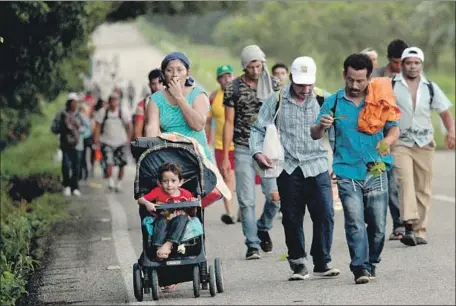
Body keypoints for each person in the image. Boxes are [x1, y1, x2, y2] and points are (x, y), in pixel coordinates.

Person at [311, 53, 400, 284]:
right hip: (346, 171)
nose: (354, 85)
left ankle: (371, 261)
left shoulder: (379, 99)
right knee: (354, 221)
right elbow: (314, 134)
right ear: (344, 75)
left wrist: (386, 142)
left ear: (369, 78)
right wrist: (321, 125)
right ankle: (359, 267)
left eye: (360, 80)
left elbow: (394, 129)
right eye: (350, 79)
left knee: (378, 226)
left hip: (376, 169)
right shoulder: (334, 102)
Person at [251, 56, 340, 280]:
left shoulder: (324, 99)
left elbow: (338, 132)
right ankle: (298, 263)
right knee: (292, 216)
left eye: (309, 83)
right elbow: (259, 128)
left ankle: (322, 261)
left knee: (325, 214)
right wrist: (258, 152)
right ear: (291, 79)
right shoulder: (277, 99)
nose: (305, 89)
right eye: (300, 84)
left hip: (317, 164)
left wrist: (338, 162)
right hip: (288, 167)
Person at [391, 47, 455, 246]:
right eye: (408, 63)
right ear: (402, 65)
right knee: (405, 182)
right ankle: (409, 225)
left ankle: (420, 230)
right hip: (400, 142)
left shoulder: (430, 87)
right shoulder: (392, 85)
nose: (412, 66)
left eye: (416, 63)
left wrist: (451, 132)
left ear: (421, 65)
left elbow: (444, 112)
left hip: (424, 143)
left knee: (423, 187)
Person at [222, 45, 281, 260]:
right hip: (243, 147)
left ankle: (262, 227)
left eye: (258, 65)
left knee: (275, 197)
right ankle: (252, 243)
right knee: (246, 200)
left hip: (268, 147)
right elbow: (229, 122)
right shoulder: (233, 88)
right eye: (251, 66)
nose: (255, 71)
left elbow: (281, 116)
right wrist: (227, 157)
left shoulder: (274, 84)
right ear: (244, 66)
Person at [371, 39, 409, 240]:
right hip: (381, 135)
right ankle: (397, 224)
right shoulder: (376, 76)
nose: (399, 67)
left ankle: (406, 222)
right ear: (389, 60)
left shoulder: (410, 77)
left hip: (404, 135)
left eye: (402, 62)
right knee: (390, 181)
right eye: (395, 62)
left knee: (404, 182)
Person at [144, 52, 213, 161]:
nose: (175, 74)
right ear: (163, 75)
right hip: (170, 157)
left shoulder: (198, 95)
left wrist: (179, 97)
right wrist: (150, 152)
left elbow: (198, 125)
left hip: (198, 157)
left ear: (187, 73)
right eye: (169, 70)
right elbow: (152, 128)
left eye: (180, 70)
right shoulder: (155, 100)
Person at [137, 163, 194, 260]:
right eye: (165, 181)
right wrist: (148, 203)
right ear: (159, 182)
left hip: (179, 221)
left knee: (181, 218)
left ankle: (168, 244)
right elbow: (140, 200)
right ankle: (159, 248)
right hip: (163, 219)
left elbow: (192, 211)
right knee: (161, 220)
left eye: (173, 181)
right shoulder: (158, 191)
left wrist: (192, 203)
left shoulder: (186, 194)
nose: (169, 185)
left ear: (180, 182)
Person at [205, 64, 238, 225]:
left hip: (240, 143)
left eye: (229, 75)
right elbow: (208, 121)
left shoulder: (241, 94)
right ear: (218, 80)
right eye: (223, 76)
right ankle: (230, 212)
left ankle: (241, 210)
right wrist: (206, 143)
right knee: (227, 177)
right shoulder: (213, 97)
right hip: (221, 145)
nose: (227, 79)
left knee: (242, 178)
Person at [94, 93, 132, 192]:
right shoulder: (103, 112)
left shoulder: (123, 112)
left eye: (115, 100)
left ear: (118, 101)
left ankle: (118, 183)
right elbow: (97, 126)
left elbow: (128, 126)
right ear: (109, 102)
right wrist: (96, 140)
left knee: (122, 164)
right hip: (107, 141)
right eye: (111, 100)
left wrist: (128, 139)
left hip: (121, 141)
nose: (113, 103)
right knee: (109, 162)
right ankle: (110, 180)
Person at [57, 93, 88, 197]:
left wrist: (78, 130)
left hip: (77, 145)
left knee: (76, 167)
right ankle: (66, 186)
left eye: (76, 102)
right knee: (66, 166)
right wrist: (63, 129)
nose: (74, 104)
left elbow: (87, 126)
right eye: (73, 102)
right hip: (66, 144)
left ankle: (74, 187)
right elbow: (54, 127)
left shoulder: (79, 115)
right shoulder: (62, 114)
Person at [134, 69, 164, 139]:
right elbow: (137, 132)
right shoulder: (143, 104)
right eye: (154, 84)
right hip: (151, 144)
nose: (157, 87)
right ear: (149, 85)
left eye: (160, 83)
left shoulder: (172, 101)